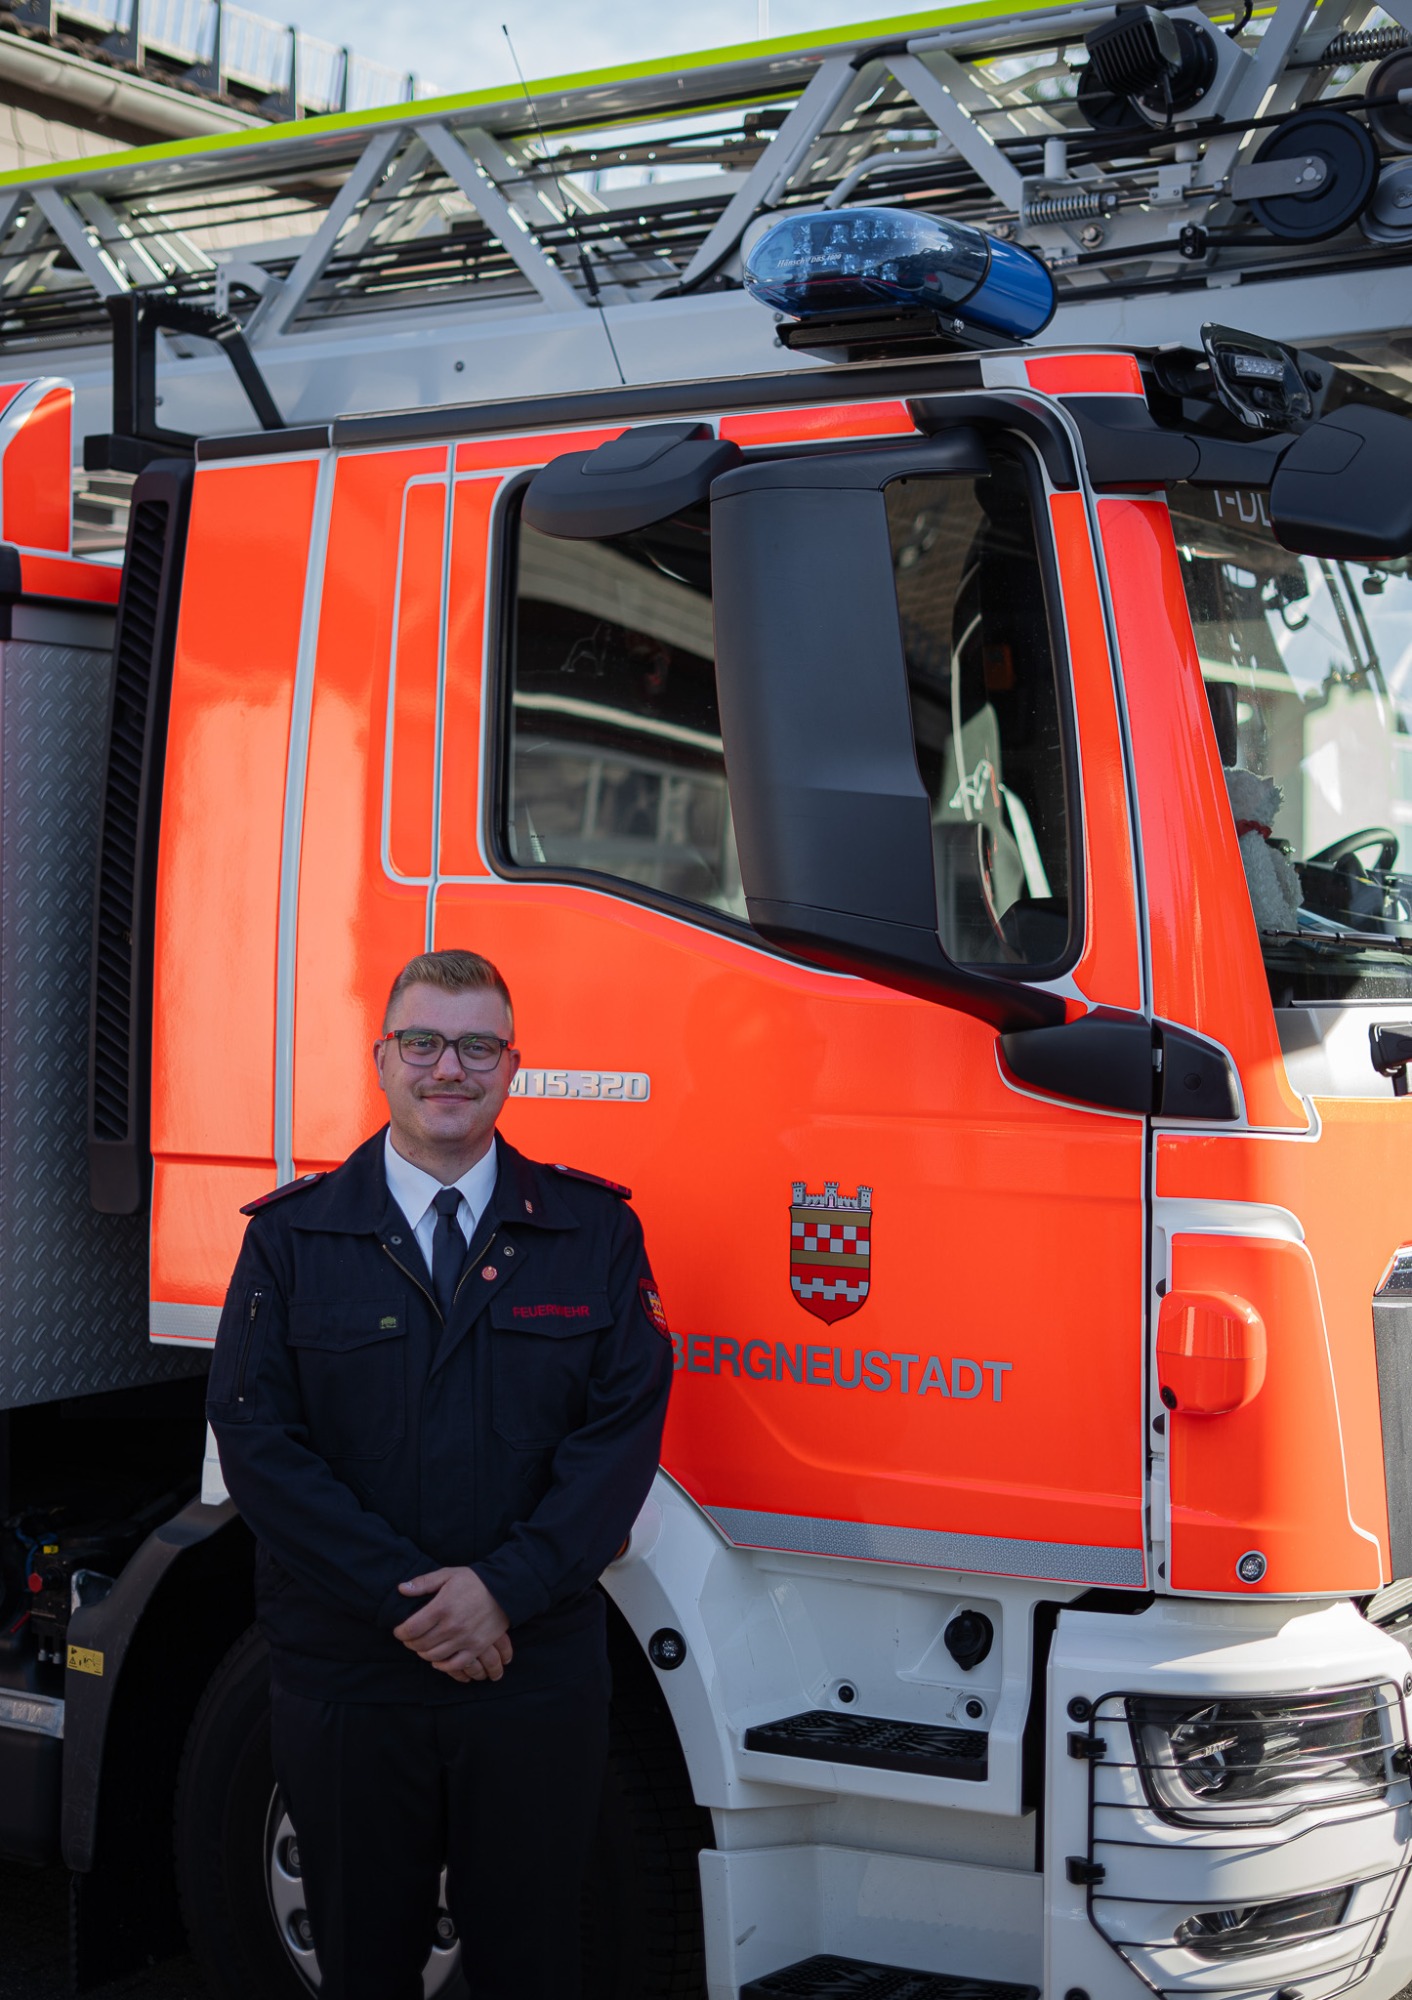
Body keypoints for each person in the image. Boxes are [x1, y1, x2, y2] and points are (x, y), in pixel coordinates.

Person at [206, 948, 673, 2000]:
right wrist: (409, 1602)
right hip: (351, 1676)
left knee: (531, 1966)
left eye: (476, 1046)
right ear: (381, 1058)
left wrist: (502, 1589)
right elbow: (259, 1447)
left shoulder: (595, 1233)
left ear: (513, 1066)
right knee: (364, 1967)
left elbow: (618, 1442)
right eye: (422, 1042)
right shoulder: (291, 1239)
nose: (448, 1068)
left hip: (528, 1674)